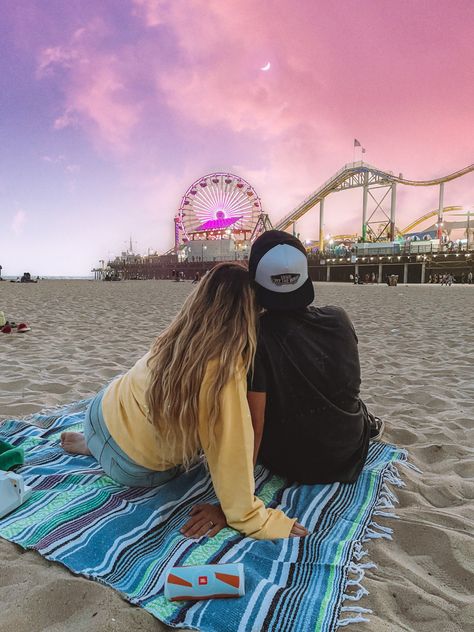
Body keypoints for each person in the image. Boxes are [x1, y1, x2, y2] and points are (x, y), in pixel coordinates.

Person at [61, 263, 306, 541]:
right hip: (132, 470)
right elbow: (231, 449)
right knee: (190, 456)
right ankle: (106, 454)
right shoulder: (224, 371)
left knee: (145, 394)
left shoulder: (176, 336)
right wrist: (249, 516)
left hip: (97, 415)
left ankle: (96, 445)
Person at [191, 231, 382, 533]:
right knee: (352, 403)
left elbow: (254, 425)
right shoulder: (339, 318)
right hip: (349, 453)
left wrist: (232, 505)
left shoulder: (256, 339)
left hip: (296, 463)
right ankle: (369, 423)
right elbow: (349, 382)